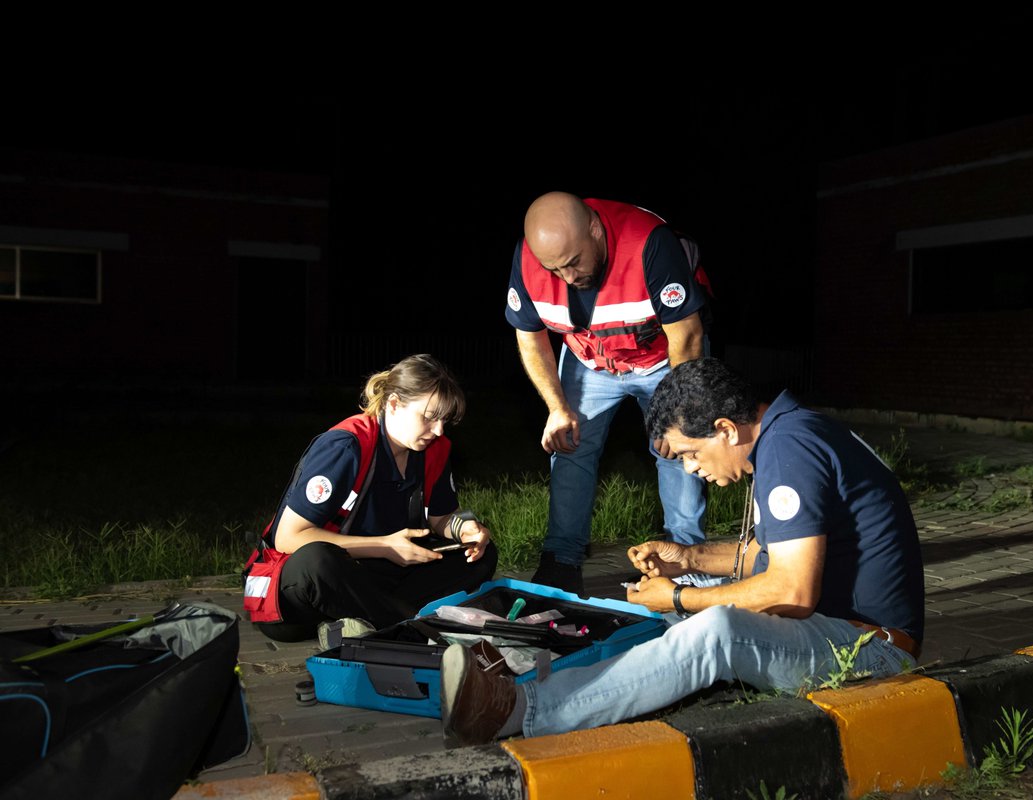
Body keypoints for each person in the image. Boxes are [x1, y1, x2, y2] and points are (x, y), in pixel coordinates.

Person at [439, 357, 925, 745]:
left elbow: (792, 590)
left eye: (690, 453)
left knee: (717, 627)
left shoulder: (789, 448)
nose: (691, 469)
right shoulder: (788, 434)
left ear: (725, 429)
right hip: (836, 629)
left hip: (872, 650)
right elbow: (763, 556)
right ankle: (537, 677)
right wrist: (685, 561)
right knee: (692, 592)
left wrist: (676, 599)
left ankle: (520, 711)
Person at [505, 191, 713, 594]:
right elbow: (530, 339)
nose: (566, 277)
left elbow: (687, 337)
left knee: (677, 449)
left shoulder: (649, 243)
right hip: (589, 359)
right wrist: (556, 407)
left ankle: (686, 559)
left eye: (573, 263)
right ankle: (561, 561)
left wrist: (680, 418)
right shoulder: (531, 259)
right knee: (571, 447)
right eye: (555, 269)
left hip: (661, 358)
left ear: (596, 231)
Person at [242, 354, 497, 646]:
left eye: (444, 420)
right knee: (319, 559)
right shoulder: (345, 447)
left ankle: (367, 624)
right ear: (393, 404)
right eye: (429, 417)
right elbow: (288, 537)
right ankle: (413, 630)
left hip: (372, 582)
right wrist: (383, 547)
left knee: (481, 555)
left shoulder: (434, 449)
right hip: (301, 594)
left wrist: (465, 530)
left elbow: (441, 518)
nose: (438, 430)